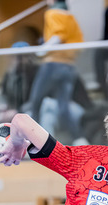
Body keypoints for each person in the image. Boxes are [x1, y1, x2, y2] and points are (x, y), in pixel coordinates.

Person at [28, 0, 84, 143]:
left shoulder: (52, 13)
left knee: (35, 102)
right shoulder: (70, 16)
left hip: (53, 64)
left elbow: (58, 35)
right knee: (63, 107)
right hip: (69, 65)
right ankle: (79, 139)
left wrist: (41, 51)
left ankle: (33, 141)